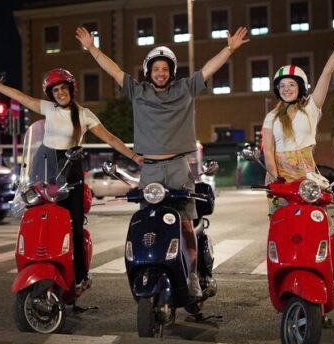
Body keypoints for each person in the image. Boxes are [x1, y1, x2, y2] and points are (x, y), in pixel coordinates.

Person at [75, 25, 249, 297]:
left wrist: (229, 49)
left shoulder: (185, 89)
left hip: (179, 166)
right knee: (147, 220)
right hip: (150, 169)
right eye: (156, 69)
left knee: (186, 222)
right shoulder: (137, 91)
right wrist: (92, 48)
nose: (161, 73)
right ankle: (149, 268)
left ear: (171, 71)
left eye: (165, 69)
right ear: (148, 71)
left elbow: (208, 69)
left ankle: (192, 275)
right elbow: (114, 70)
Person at [0, 67, 143, 296]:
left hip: (70, 167)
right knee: (38, 218)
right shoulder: (48, 109)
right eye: (55, 90)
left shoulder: (84, 115)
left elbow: (111, 138)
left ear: (71, 89)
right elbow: (22, 97)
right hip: (44, 166)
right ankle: (40, 263)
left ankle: (80, 276)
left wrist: (133, 156)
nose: (60, 93)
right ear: (50, 94)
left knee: (73, 225)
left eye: (63, 88)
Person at [261, 20, 334, 211]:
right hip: (279, 178)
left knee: (314, 219)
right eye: (282, 85)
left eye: (291, 84)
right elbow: (268, 151)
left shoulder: (311, 108)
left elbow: (327, 71)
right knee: (281, 224)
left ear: (300, 87)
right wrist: (274, 178)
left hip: (306, 176)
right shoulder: (271, 116)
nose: (286, 89)